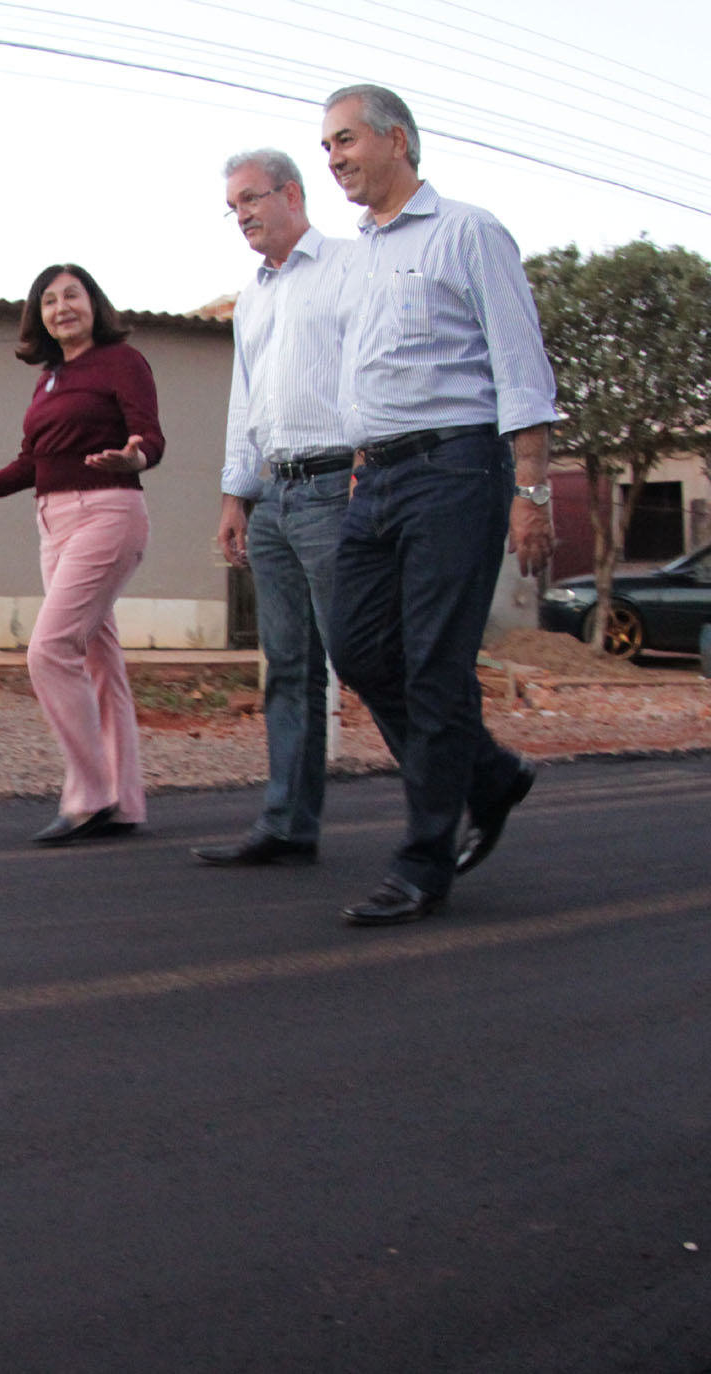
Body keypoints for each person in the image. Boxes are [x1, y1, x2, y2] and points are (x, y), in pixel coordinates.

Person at [319, 84, 556, 925]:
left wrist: (531, 489)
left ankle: (423, 863)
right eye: (327, 147)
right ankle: (489, 775)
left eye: (345, 140)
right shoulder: (357, 258)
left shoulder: (469, 231)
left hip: (456, 471)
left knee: (436, 667)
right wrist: (355, 462)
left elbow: (521, 366)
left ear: (397, 140)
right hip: (374, 479)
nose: (335, 157)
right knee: (358, 649)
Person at [0, 264, 163, 845]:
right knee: (100, 663)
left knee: (49, 651)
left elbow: (148, 435)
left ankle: (90, 795)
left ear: (93, 303)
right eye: (49, 301)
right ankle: (123, 802)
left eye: (72, 295)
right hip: (53, 523)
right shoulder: (49, 380)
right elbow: (31, 462)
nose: (61, 308)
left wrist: (135, 458)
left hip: (108, 511)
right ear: (40, 317)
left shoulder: (123, 362)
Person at [193, 149, 356, 868]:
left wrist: (368, 463)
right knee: (288, 667)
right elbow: (245, 402)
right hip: (276, 498)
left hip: (337, 487)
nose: (243, 216)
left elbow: (373, 372)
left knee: (367, 655)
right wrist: (237, 495)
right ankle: (288, 823)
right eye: (233, 207)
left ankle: (463, 796)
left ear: (293, 193)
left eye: (252, 199)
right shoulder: (252, 298)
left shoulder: (352, 269)